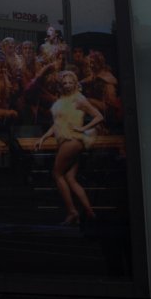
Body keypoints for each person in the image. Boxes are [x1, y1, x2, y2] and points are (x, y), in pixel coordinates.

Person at [35, 70, 104, 225]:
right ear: (61, 84)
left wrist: (82, 128)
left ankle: (72, 212)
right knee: (70, 178)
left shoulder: (79, 99)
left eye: (70, 82)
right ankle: (90, 212)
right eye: (64, 82)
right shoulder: (61, 100)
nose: (67, 85)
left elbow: (99, 116)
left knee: (57, 174)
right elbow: (57, 124)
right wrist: (43, 137)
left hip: (71, 140)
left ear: (75, 83)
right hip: (69, 141)